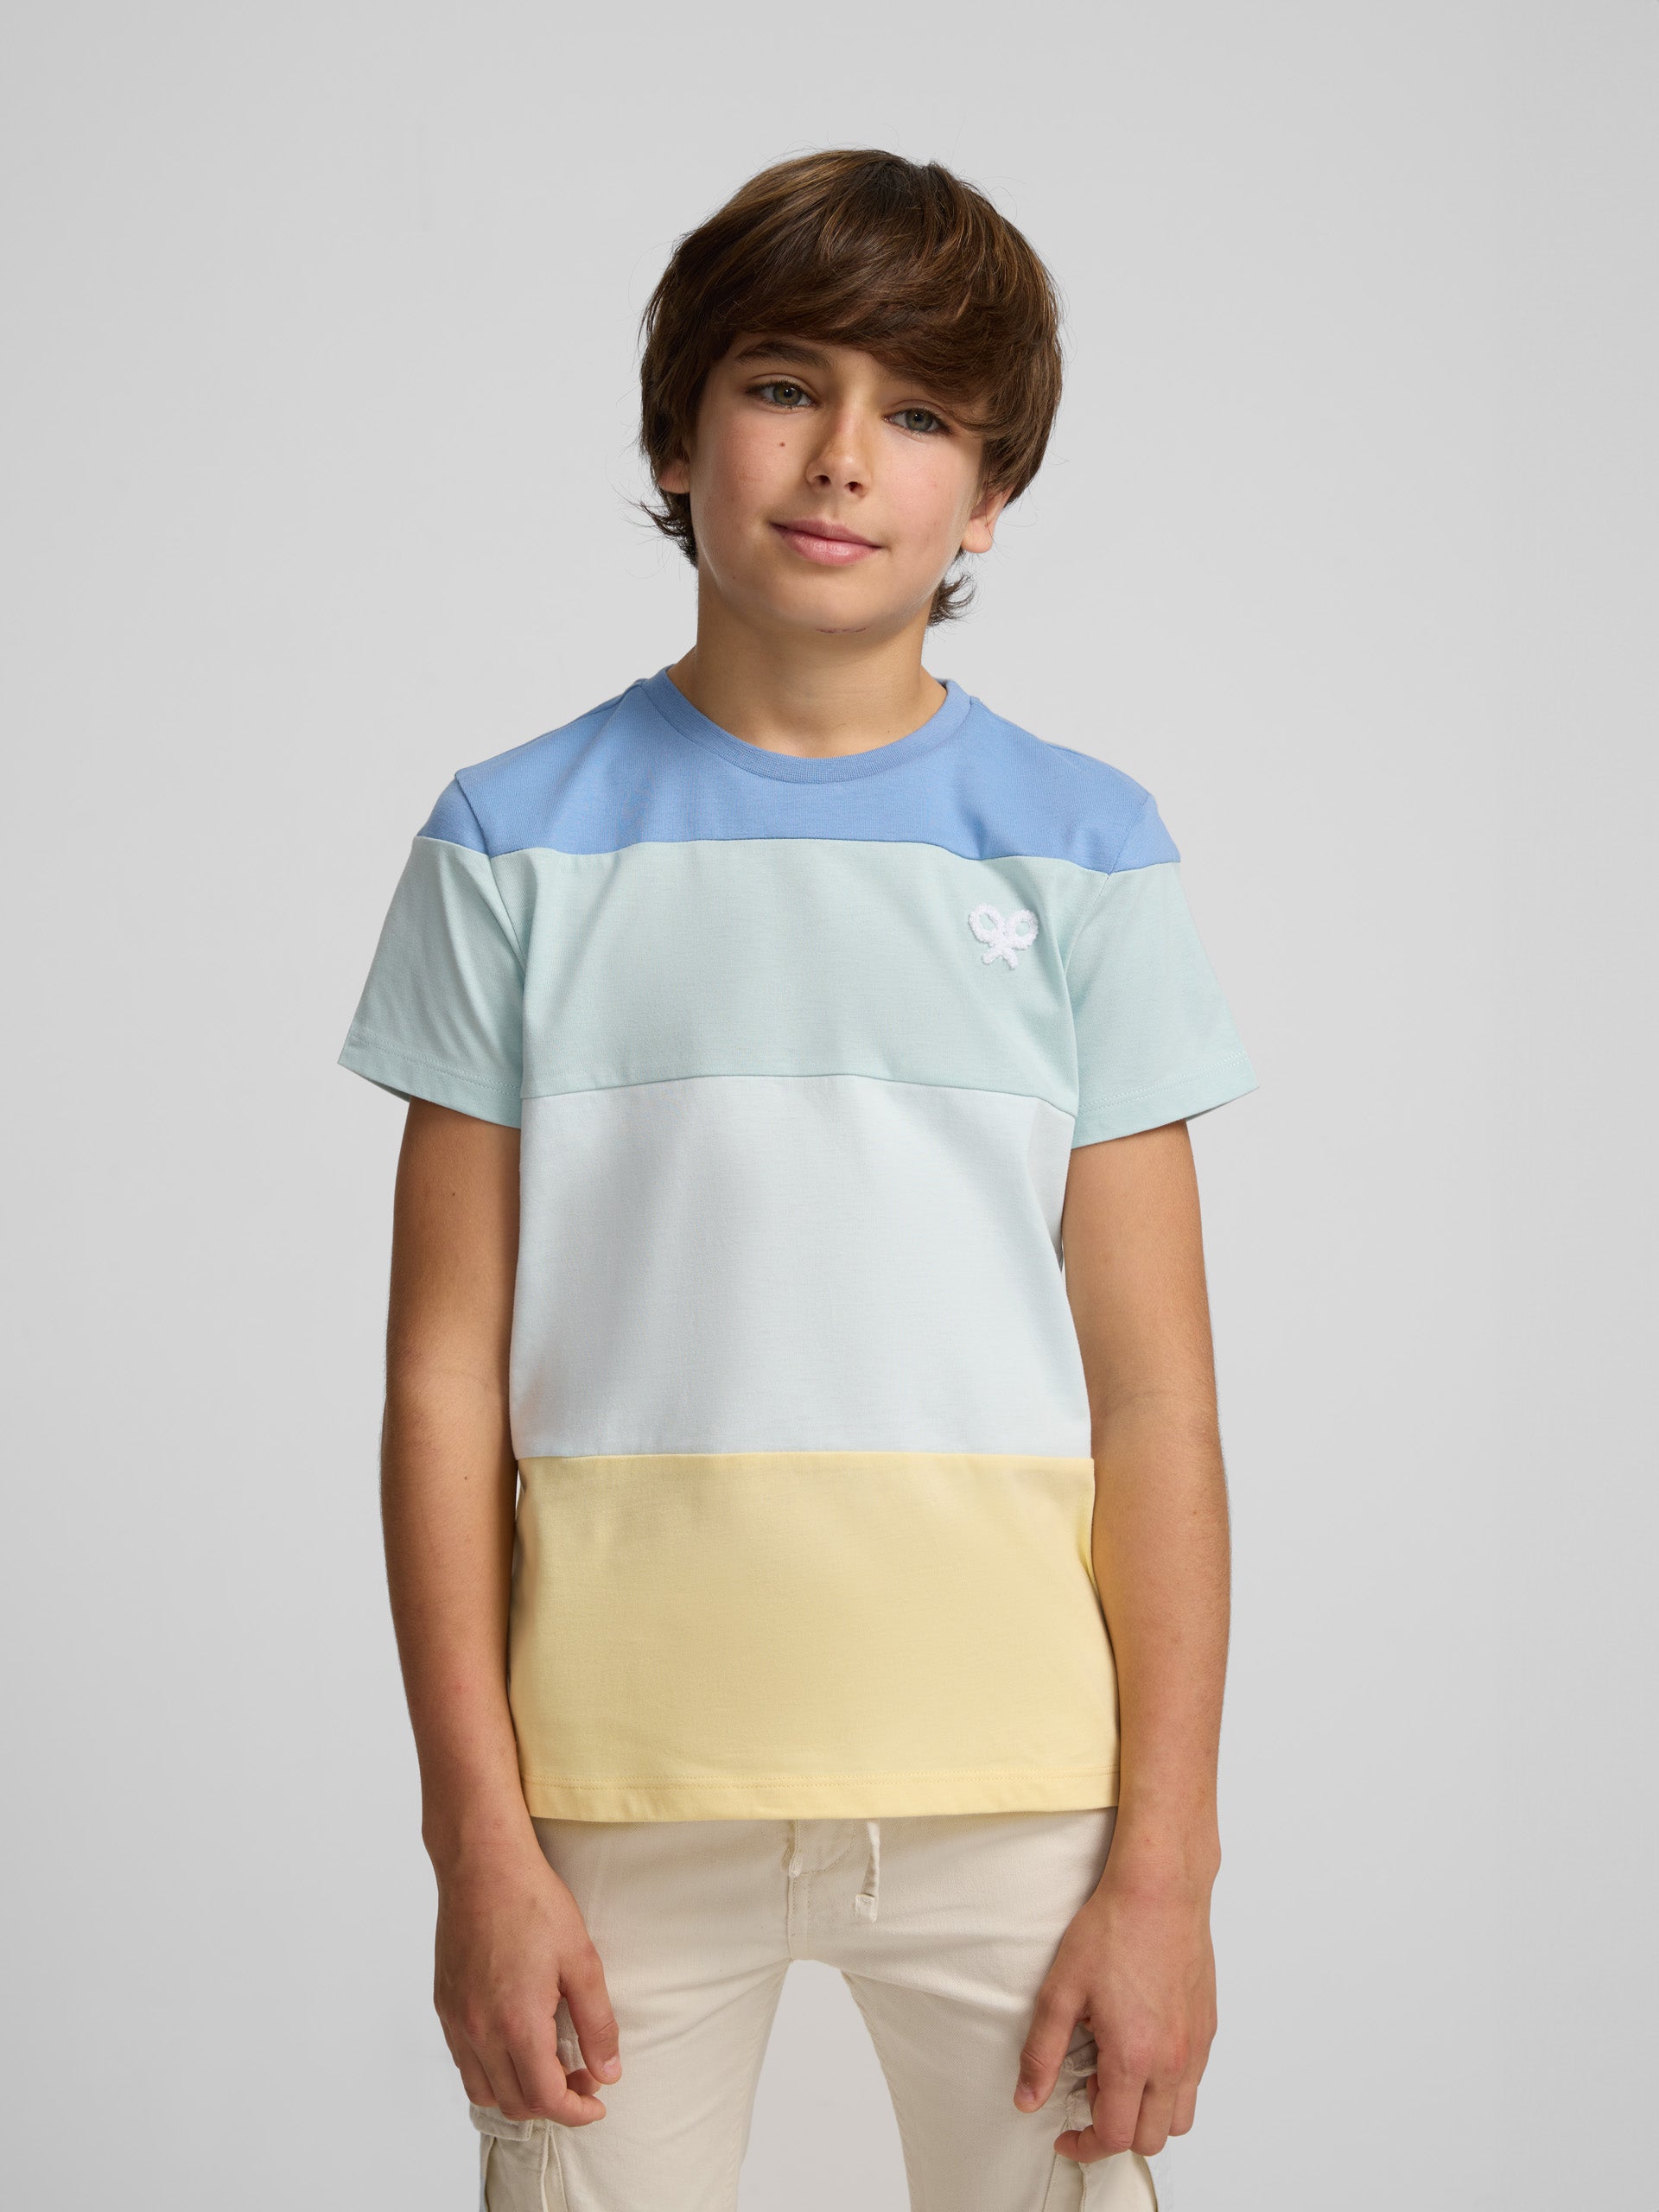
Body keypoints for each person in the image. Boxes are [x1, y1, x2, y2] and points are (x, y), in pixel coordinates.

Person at [340, 148, 1256, 2212]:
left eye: (920, 413)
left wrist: (1167, 1868)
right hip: (611, 1790)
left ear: (989, 494)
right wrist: (476, 1842)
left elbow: (1158, 1403)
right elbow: (440, 1383)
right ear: (678, 436)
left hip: (1022, 1793)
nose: (845, 456)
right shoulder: (512, 842)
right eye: (784, 385)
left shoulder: (1085, 850)